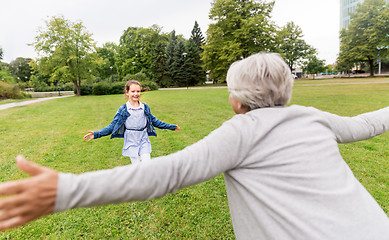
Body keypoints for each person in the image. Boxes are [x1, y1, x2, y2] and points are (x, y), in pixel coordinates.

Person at [0, 52, 388, 239]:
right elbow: (371, 123)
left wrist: (66, 189)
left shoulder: (240, 132)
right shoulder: (312, 116)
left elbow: (170, 173)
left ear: (236, 100)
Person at [83, 80, 180, 164]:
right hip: (131, 140)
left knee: (147, 164)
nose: (136, 94)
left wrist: (171, 127)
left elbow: (155, 121)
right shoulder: (124, 109)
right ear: (127, 92)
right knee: (137, 168)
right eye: (133, 91)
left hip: (143, 138)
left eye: (138, 91)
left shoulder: (144, 107)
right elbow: (113, 126)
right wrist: (96, 134)